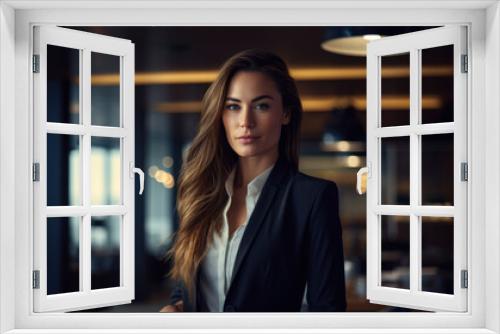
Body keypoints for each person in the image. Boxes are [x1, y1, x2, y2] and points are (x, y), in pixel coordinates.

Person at [160, 49, 346, 312]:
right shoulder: (200, 192)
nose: (245, 122)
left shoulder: (311, 198)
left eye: (261, 106)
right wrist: (175, 307)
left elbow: (328, 310)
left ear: (286, 113)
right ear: (220, 115)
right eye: (233, 106)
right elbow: (186, 290)